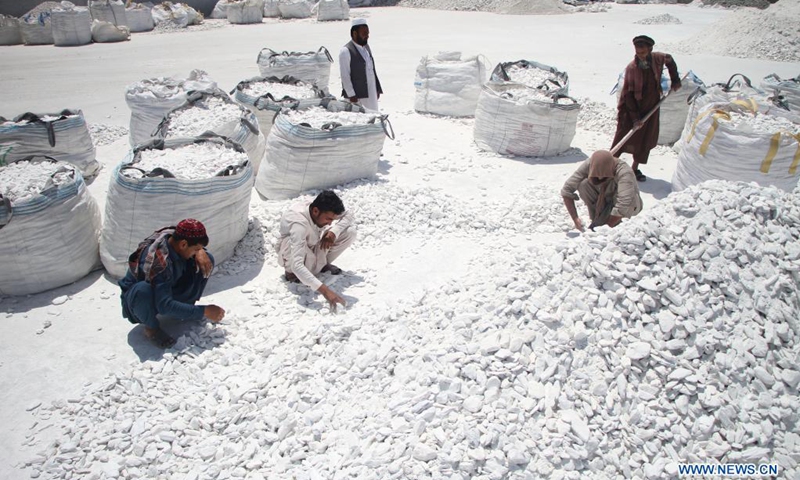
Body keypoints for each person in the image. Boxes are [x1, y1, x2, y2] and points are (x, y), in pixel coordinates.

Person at [119, 219, 225, 348]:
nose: (196, 252)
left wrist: (200, 251)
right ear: (183, 245)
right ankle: (152, 329)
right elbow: (164, 305)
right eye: (195, 249)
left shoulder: (175, 236)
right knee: (143, 291)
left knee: (207, 260)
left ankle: (184, 307)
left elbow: (190, 243)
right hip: (138, 300)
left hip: (166, 284)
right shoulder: (159, 263)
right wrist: (204, 311)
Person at [611, 35, 681, 182]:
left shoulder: (657, 59)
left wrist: (675, 80)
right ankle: (609, 167)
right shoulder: (632, 68)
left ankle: (634, 169)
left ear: (650, 49)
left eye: (643, 52)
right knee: (622, 136)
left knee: (645, 138)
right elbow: (629, 95)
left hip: (651, 104)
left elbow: (669, 60)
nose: (640, 55)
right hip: (631, 108)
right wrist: (635, 118)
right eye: (637, 52)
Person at [277, 190, 356, 310]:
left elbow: (349, 214)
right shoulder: (299, 224)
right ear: (315, 211)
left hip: (313, 247)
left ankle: (320, 265)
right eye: (328, 219)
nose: (330, 223)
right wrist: (326, 291)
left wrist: (334, 231)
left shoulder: (317, 207)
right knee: (289, 243)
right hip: (294, 257)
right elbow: (297, 265)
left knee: (350, 232)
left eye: (332, 220)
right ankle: (293, 275)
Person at [561, 150, 643, 231]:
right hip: (605, 197)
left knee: (627, 201)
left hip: (628, 204)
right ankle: (598, 217)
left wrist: (605, 230)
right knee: (583, 184)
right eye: (597, 176)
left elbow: (624, 203)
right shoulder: (590, 164)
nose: (600, 178)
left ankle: (615, 222)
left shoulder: (624, 172)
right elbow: (566, 190)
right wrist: (575, 219)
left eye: (603, 177)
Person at [339, 18, 382, 112]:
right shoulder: (345, 51)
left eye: (368, 33)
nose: (367, 36)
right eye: (364, 33)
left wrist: (377, 88)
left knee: (373, 118)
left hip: (371, 92)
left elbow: (372, 69)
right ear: (354, 33)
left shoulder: (366, 47)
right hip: (357, 97)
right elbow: (345, 76)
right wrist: (351, 95)